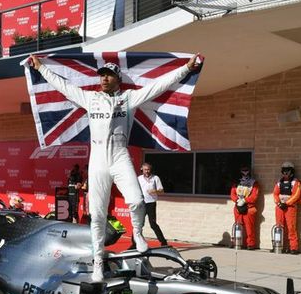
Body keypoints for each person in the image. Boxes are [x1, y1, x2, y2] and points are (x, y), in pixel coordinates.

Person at [28, 53, 201, 281]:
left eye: (109, 76)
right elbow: (63, 85)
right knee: (97, 215)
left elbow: (159, 86)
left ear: (118, 79)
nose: (104, 79)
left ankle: (138, 233)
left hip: (120, 155)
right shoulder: (90, 98)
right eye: (102, 76)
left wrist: (187, 68)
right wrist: (40, 68)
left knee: (138, 201)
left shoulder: (129, 98)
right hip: (98, 159)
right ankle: (98, 261)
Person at [133, 162, 167, 247]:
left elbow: (162, 191)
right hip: (141, 203)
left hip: (151, 203)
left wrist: (154, 191)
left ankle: (163, 242)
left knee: (153, 224)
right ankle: (134, 243)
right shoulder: (139, 178)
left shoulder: (155, 178)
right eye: (145, 169)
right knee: (139, 224)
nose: (147, 171)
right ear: (142, 169)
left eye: (148, 169)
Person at [273, 161, 301, 254]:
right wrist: (278, 203)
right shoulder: (279, 182)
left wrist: (287, 203)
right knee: (279, 227)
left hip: (290, 207)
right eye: (284, 170)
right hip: (280, 207)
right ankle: (279, 246)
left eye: (288, 170)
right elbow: (275, 193)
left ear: (291, 171)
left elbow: (296, 195)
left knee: (291, 228)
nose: (286, 172)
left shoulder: (296, 182)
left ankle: (293, 248)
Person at [230, 165, 259, 250]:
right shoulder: (236, 182)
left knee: (249, 228)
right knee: (238, 226)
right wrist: (237, 200)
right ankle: (238, 243)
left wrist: (245, 201)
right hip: (238, 207)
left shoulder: (254, 183)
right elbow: (232, 194)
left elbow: (254, 196)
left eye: (246, 170)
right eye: (243, 171)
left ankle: (250, 244)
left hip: (249, 208)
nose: (245, 172)